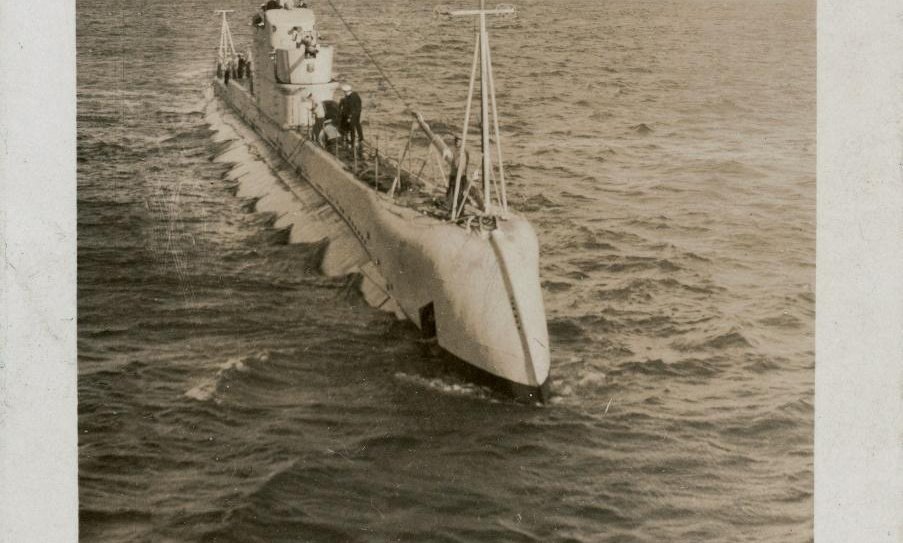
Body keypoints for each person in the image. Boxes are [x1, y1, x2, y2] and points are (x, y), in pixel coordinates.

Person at [444, 135, 470, 213]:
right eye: (455, 140)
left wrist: (450, 157)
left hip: (459, 176)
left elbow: (460, 165)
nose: (456, 142)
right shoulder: (456, 151)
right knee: (452, 193)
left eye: (458, 141)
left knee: (458, 194)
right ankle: (451, 210)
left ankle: (458, 212)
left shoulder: (462, 153)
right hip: (455, 175)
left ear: (462, 142)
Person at [338, 84, 363, 150]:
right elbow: (358, 106)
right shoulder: (355, 95)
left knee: (351, 128)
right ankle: (361, 138)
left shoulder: (351, 98)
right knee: (357, 125)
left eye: (344, 92)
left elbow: (351, 108)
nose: (344, 93)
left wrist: (349, 117)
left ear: (346, 91)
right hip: (357, 114)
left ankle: (352, 143)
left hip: (353, 115)